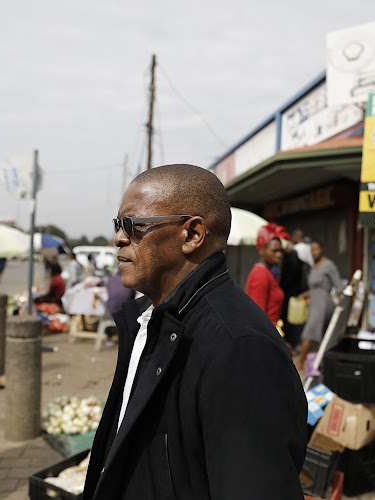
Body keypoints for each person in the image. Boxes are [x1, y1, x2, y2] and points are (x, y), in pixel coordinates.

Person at [82, 164, 306, 500]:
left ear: (192, 235)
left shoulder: (241, 349)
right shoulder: (149, 319)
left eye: (133, 225)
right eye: (118, 225)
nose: (118, 238)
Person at [295, 240, 342, 372]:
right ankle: (322, 364)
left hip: (323, 303)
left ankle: (299, 364)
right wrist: (303, 295)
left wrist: (341, 306)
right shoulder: (313, 266)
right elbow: (314, 288)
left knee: (309, 333)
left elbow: (338, 285)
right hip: (314, 302)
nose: (313, 252)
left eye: (316, 249)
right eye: (311, 250)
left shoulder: (329, 265)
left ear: (322, 249)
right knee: (321, 335)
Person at [244, 222, 286, 325]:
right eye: (274, 251)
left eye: (280, 251)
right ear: (262, 250)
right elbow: (257, 317)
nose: (279, 255)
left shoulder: (268, 273)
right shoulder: (261, 275)